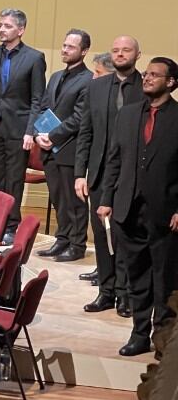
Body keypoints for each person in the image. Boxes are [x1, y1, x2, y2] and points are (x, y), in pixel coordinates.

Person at [98, 57, 178, 357]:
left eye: (155, 75)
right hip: (128, 210)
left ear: (170, 82)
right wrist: (106, 199)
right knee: (137, 278)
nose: (147, 78)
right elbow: (115, 160)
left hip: (165, 214)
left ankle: (163, 339)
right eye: (146, 73)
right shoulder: (129, 114)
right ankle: (139, 334)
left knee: (164, 280)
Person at [75, 36, 144, 316]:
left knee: (124, 235)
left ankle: (126, 293)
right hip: (99, 172)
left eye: (126, 50)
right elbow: (86, 132)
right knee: (102, 238)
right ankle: (106, 291)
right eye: (115, 50)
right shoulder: (97, 86)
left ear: (137, 55)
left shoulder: (145, 86)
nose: (120, 54)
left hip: (131, 174)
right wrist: (80, 173)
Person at [0, 8, 46, 239]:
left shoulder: (34, 58)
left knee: (14, 179)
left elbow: (37, 99)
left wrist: (30, 131)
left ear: (20, 30)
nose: (2, 29)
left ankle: (12, 226)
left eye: (7, 26)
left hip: (18, 128)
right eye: (0, 25)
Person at [33, 29, 93, 263]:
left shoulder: (88, 80)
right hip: (49, 148)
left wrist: (53, 136)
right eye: (64, 45)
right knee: (59, 198)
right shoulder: (56, 76)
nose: (65, 49)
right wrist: (39, 133)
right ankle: (62, 238)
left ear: (84, 51)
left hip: (69, 149)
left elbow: (79, 117)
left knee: (73, 201)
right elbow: (43, 107)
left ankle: (77, 244)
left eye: (71, 46)